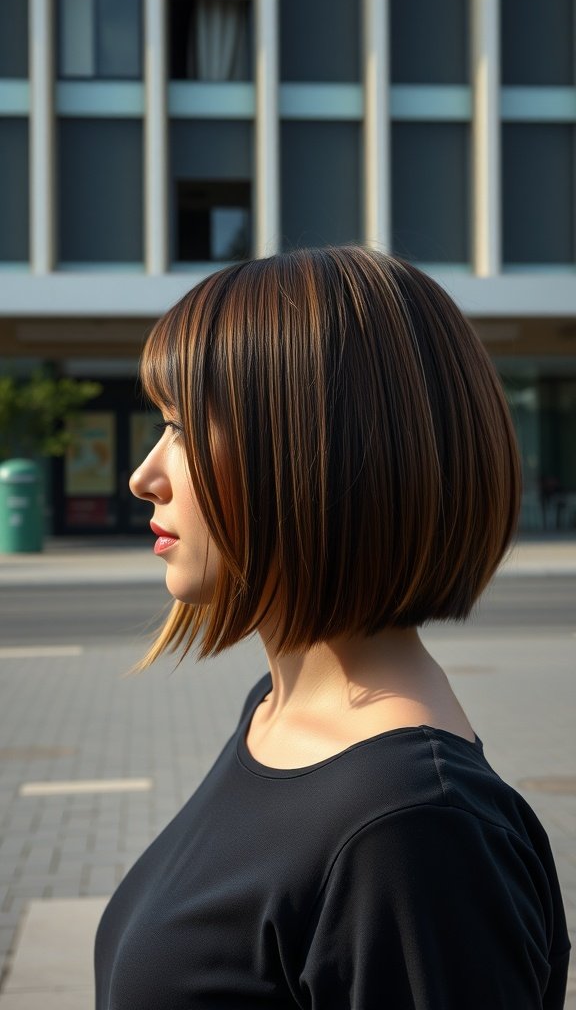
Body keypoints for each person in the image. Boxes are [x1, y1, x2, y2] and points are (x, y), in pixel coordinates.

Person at [94, 246, 570, 1009]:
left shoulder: (411, 832)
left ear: (320, 452)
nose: (144, 476)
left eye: (183, 428)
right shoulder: (276, 714)